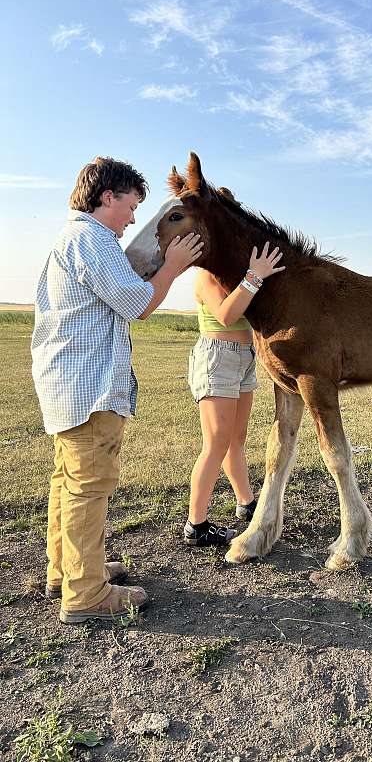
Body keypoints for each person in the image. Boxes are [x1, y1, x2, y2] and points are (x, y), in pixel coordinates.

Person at [31, 157, 203, 624]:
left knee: (68, 482)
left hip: (67, 384)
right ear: (107, 196)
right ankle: (86, 594)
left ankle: (66, 570)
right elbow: (138, 304)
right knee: (90, 486)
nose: (132, 220)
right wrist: (173, 265)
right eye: (130, 206)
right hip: (89, 389)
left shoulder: (73, 240)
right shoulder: (93, 240)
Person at [184, 189, 285, 547]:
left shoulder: (234, 270)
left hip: (243, 358)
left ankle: (246, 503)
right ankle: (196, 524)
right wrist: (255, 276)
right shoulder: (206, 275)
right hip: (218, 355)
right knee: (215, 443)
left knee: (235, 440)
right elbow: (227, 314)